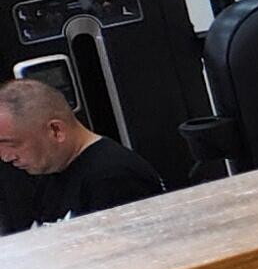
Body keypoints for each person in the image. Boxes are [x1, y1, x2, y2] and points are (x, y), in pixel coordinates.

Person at [0, 73, 165, 229]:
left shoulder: (113, 177)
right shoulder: (52, 174)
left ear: (56, 130)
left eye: (12, 144)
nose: (5, 157)